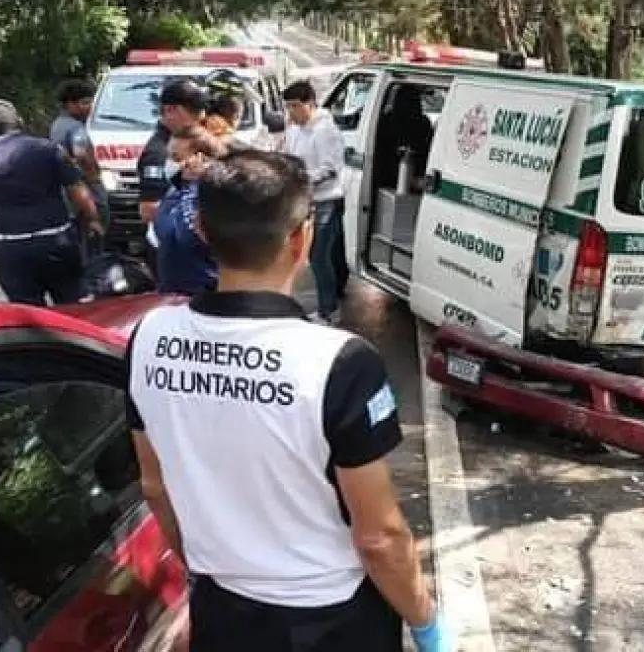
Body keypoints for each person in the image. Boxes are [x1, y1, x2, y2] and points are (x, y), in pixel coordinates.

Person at [125, 149, 451, 651]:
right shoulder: (337, 362)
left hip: (223, 612)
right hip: (331, 623)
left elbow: (155, 485)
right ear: (301, 239)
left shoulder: (148, 338)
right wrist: (427, 622)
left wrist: (205, 574)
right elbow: (379, 537)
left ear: (203, 233)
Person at [0, 100, 103, 306]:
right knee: (74, 305)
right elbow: (78, 191)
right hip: (55, 242)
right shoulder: (48, 150)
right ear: (19, 121)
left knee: (28, 313)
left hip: (8, 248)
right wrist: (93, 220)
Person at [283, 80, 348, 324]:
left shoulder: (325, 130)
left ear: (310, 104)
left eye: (295, 106)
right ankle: (331, 298)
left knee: (319, 257)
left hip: (326, 200)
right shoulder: (295, 130)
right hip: (306, 199)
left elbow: (330, 169)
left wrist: (303, 180)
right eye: (288, 107)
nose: (291, 112)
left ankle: (329, 310)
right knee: (327, 254)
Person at [136, 78, 207, 277]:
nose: (200, 117)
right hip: (170, 248)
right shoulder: (159, 152)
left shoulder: (190, 141)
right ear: (169, 111)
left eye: (200, 110)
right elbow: (148, 210)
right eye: (192, 111)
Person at [152, 128, 218, 296]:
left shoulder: (211, 196)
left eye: (176, 157)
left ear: (201, 159)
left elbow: (189, 236)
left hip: (200, 294)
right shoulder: (176, 189)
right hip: (171, 291)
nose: (170, 162)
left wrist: (192, 186)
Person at [49, 79, 108, 259]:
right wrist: (95, 181)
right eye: (84, 103)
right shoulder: (76, 128)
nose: (89, 107)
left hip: (66, 195)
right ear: (69, 104)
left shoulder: (57, 125)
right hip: (84, 190)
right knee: (93, 239)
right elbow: (82, 156)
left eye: (90, 102)